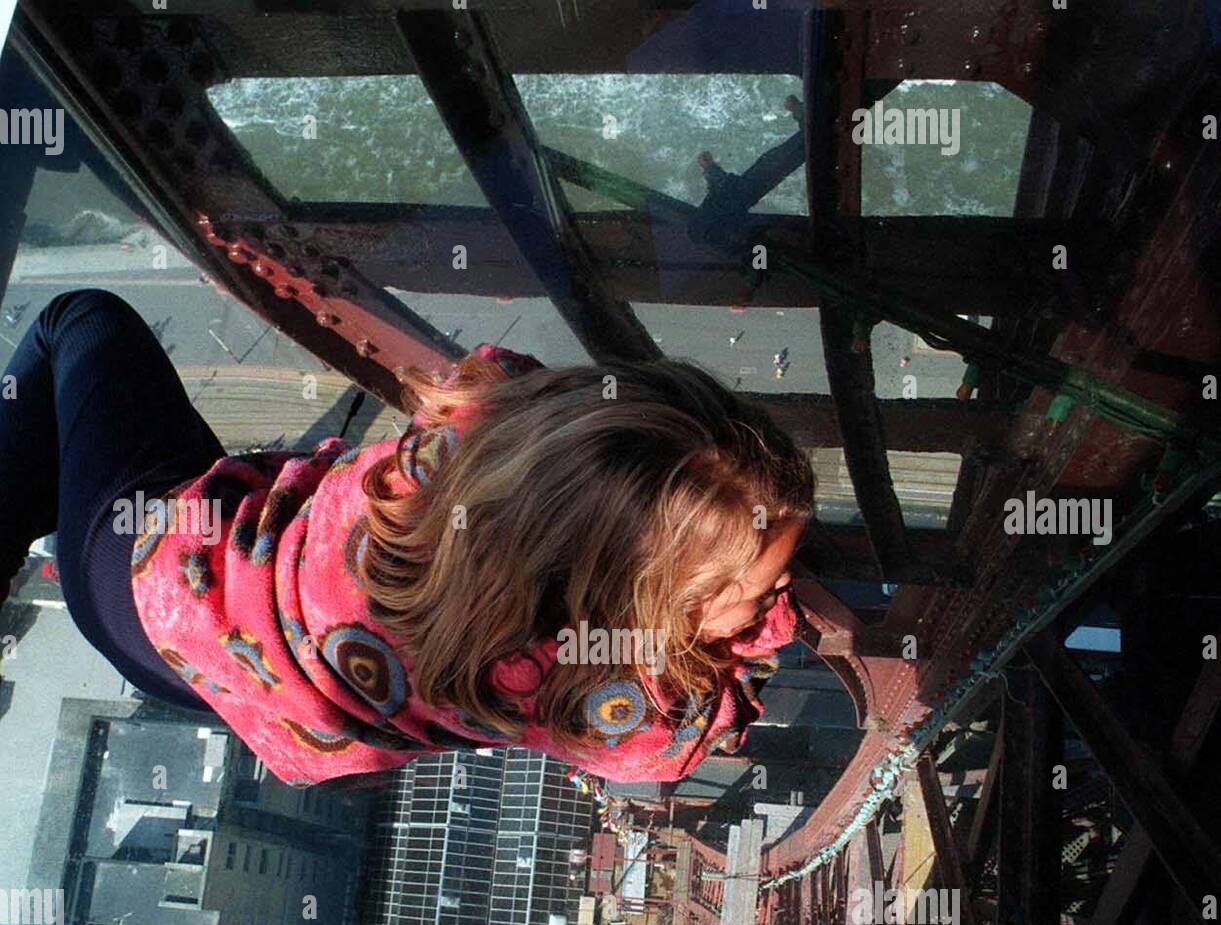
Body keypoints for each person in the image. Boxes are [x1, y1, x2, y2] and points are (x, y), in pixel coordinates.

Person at [0, 289, 813, 787]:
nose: (778, 598)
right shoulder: (594, 694)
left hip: (150, 577)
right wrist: (750, 625)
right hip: (216, 686)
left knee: (80, 319)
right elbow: (687, 742)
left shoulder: (466, 449)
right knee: (72, 399)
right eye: (762, 585)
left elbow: (501, 372)